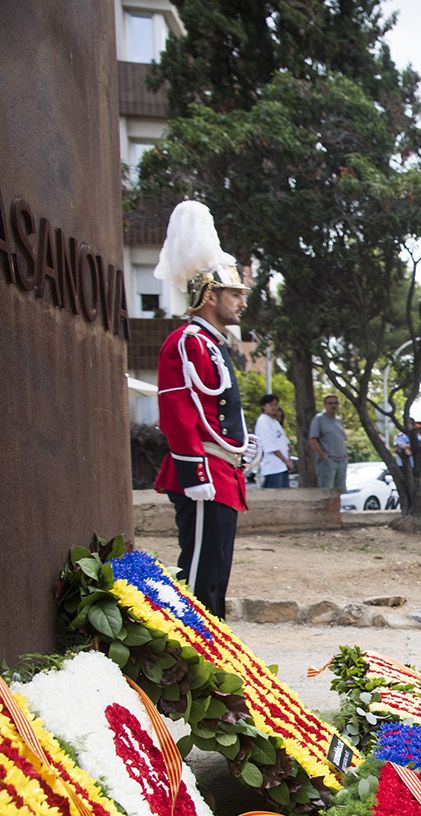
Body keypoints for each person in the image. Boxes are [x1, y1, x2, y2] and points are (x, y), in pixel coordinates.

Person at [149, 200, 257, 618]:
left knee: (214, 578)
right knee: (197, 580)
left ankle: (213, 655)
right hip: (203, 475)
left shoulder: (211, 343)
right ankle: (193, 662)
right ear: (210, 294)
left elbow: (217, 409)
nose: (241, 303)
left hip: (222, 473)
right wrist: (194, 471)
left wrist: (240, 446)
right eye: (235, 294)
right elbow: (177, 409)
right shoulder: (187, 341)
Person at [307, 394, 348, 492]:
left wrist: (346, 456)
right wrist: (324, 456)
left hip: (341, 461)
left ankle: (337, 508)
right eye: (330, 403)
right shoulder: (319, 419)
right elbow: (312, 440)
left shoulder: (339, 420)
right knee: (327, 492)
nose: (333, 406)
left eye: (335, 403)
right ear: (325, 405)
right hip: (328, 461)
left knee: (339, 492)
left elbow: (342, 439)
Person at [253, 394, 291, 489]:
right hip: (272, 467)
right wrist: (286, 461)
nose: (274, 407)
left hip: (282, 466)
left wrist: (288, 460)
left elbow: (285, 443)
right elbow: (271, 447)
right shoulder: (263, 421)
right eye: (271, 404)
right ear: (263, 406)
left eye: (276, 404)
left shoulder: (274, 422)